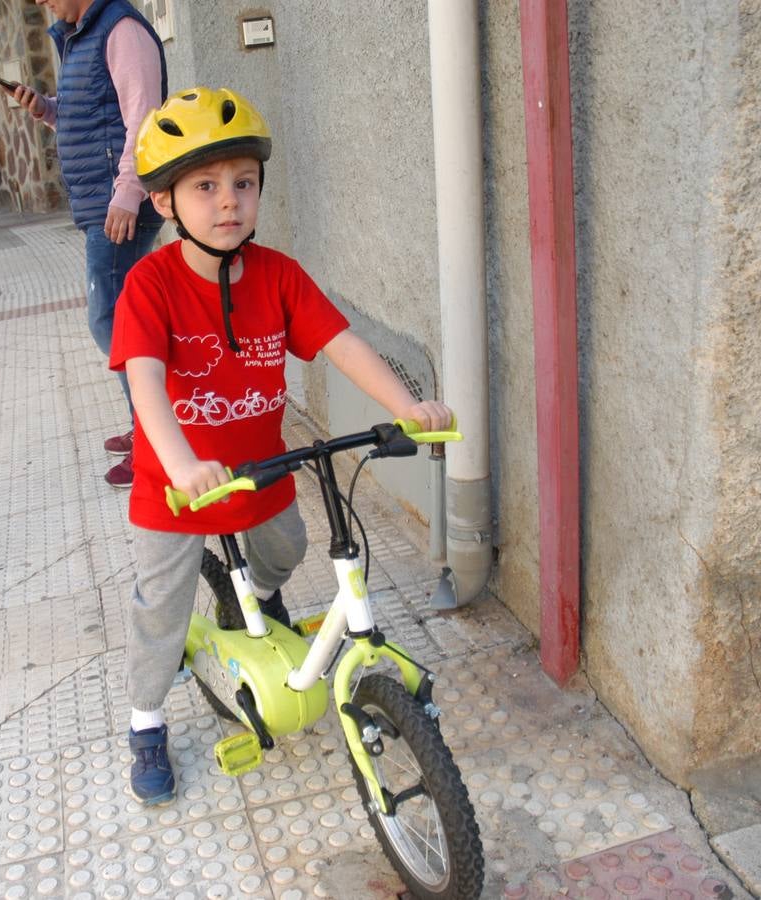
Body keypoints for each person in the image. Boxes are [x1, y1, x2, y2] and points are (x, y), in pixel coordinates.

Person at [109, 87, 453, 804]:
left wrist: (407, 406)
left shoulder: (278, 274)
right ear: (165, 202)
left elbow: (342, 344)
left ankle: (253, 601)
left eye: (242, 183)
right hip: (177, 487)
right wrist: (180, 464)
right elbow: (144, 383)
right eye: (204, 186)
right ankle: (145, 722)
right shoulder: (150, 284)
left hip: (260, 468)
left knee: (289, 548)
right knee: (161, 608)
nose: (227, 201)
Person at [2, 0, 165, 488]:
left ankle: (156, 437)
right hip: (106, 202)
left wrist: (129, 193)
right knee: (122, 325)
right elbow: (98, 118)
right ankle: (149, 427)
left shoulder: (120, 30)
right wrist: (48, 111)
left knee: (114, 325)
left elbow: (145, 118)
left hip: (118, 206)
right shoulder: (84, 33)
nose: (41, 2)